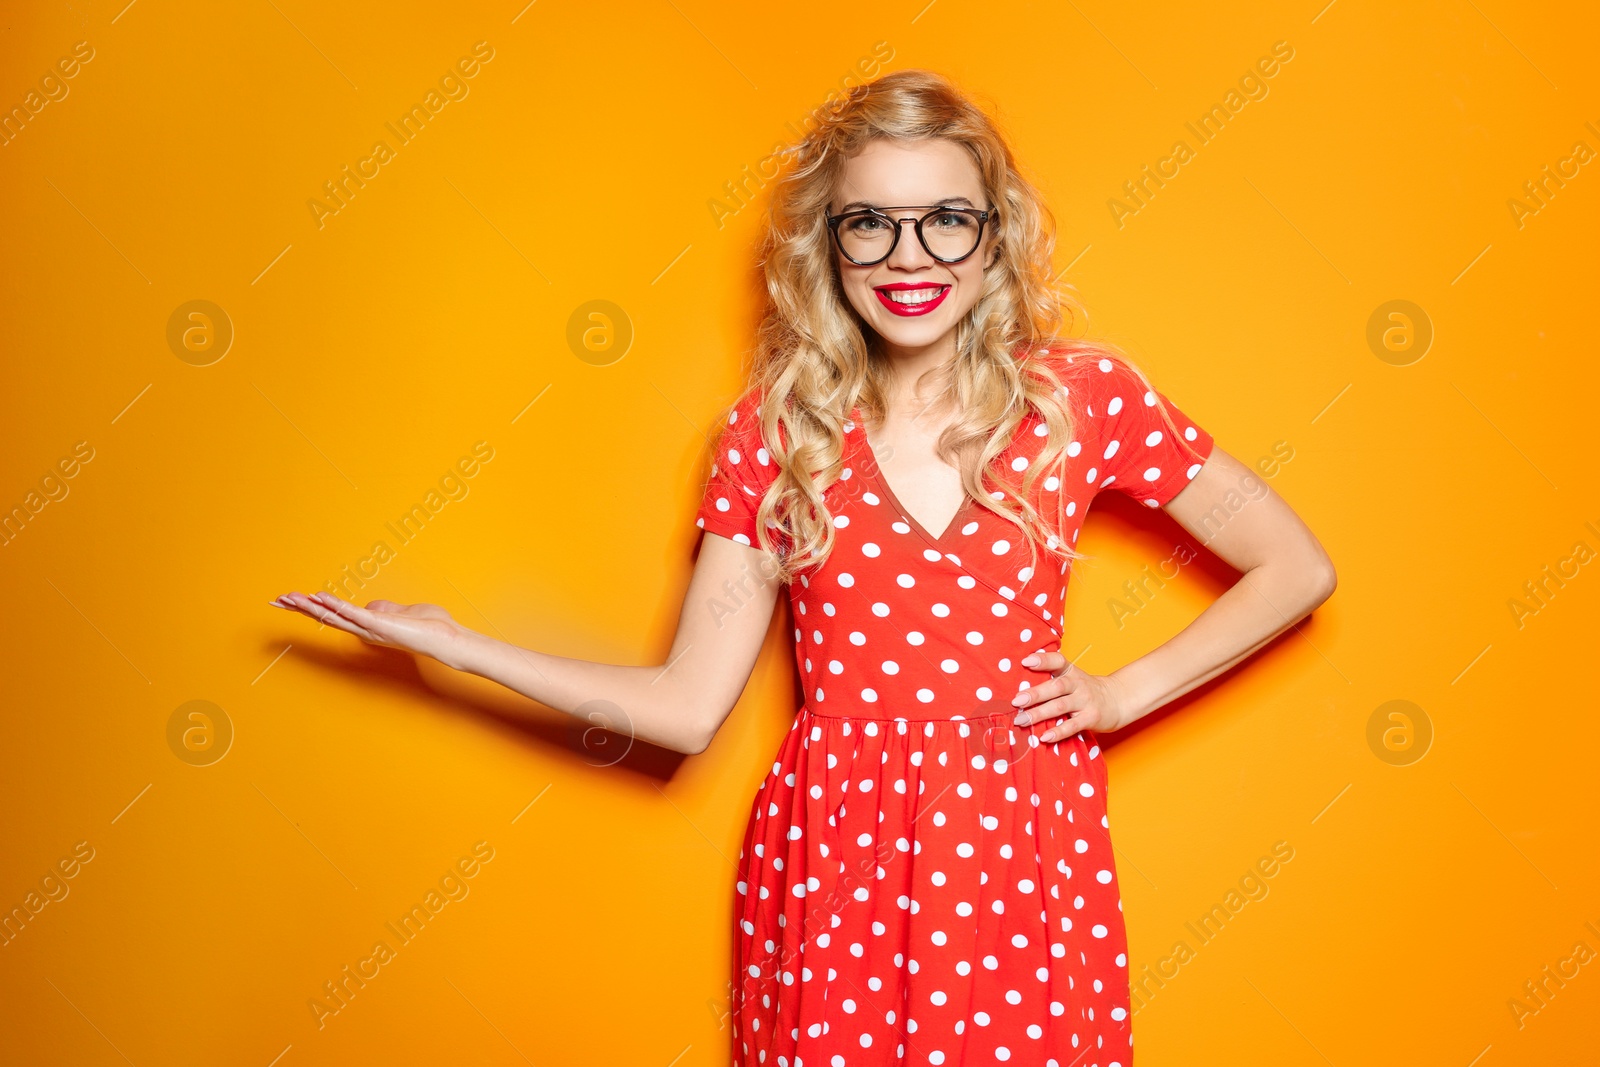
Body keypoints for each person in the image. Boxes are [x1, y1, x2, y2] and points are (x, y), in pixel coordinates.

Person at [271, 69, 1335, 1067]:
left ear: (993, 234)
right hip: (839, 854)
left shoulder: (1083, 399)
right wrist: (456, 644)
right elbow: (685, 709)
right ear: (828, 246)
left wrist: (1119, 693)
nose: (908, 257)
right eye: (869, 222)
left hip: (1019, 838)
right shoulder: (774, 433)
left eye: (945, 219)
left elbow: (1291, 563)